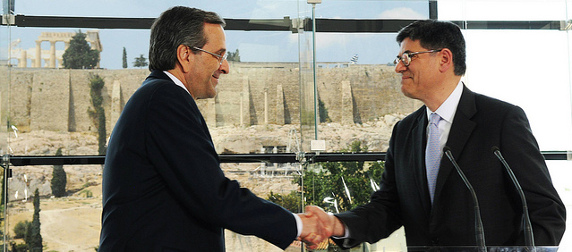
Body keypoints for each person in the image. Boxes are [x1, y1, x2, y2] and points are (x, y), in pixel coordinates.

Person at [307, 20, 566, 248]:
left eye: (408, 57)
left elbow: (546, 212)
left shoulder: (500, 120)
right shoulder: (404, 131)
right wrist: (335, 224)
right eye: (399, 59)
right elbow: (388, 208)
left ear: (444, 59)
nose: (399, 68)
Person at [99, 6, 325, 251]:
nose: (225, 67)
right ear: (185, 54)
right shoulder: (164, 100)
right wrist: (298, 225)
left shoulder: (157, 96)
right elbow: (214, 197)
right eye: (218, 55)